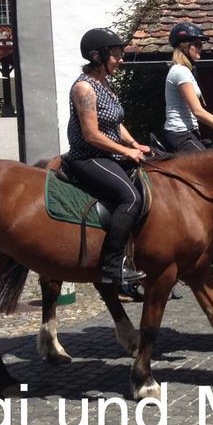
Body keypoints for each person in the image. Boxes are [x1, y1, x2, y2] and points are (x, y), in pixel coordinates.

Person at [65, 28, 150, 292]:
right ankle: (112, 266)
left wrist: (135, 144)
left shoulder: (105, 85)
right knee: (131, 198)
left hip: (110, 153)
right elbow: (91, 135)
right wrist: (126, 152)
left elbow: (116, 123)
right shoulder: (84, 88)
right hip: (88, 156)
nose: (120, 60)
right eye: (115, 55)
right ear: (97, 56)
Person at [161, 22, 213, 153]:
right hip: (180, 133)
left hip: (189, 131)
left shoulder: (185, 70)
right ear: (184, 46)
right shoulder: (180, 71)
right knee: (211, 167)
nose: (201, 48)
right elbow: (197, 111)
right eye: (197, 45)